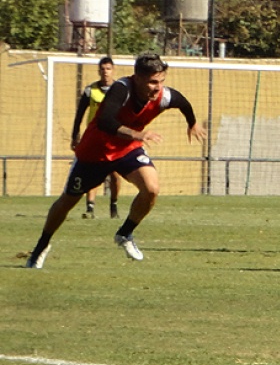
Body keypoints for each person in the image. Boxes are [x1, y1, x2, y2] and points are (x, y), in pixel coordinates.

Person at [25, 52, 207, 268]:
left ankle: (125, 233)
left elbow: (183, 103)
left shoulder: (164, 96)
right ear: (137, 77)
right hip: (94, 154)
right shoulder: (122, 89)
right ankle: (42, 245)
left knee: (151, 188)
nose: (158, 87)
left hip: (126, 150)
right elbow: (105, 121)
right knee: (67, 202)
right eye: (152, 82)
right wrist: (137, 134)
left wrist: (192, 123)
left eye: (161, 81)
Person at [71, 56, 122, 219]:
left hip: (113, 136)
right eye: (102, 69)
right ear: (99, 71)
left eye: (108, 69)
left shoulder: (120, 90)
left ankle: (113, 206)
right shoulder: (90, 90)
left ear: (113, 70)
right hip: (94, 136)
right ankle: (90, 208)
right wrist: (75, 135)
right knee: (92, 171)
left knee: (115, 173)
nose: (105, 72)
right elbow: (79, 114)